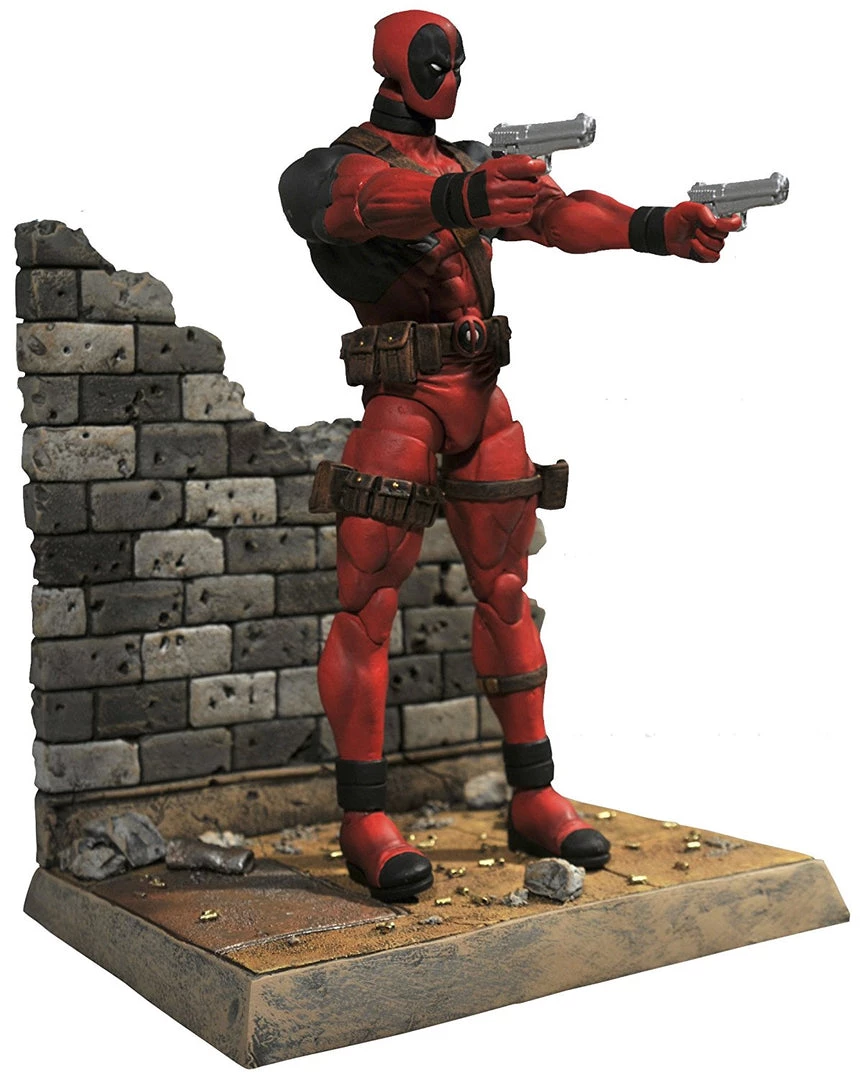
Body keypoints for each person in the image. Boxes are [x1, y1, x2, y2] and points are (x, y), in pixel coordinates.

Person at [279, 9, 740, 901]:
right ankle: (364, 817)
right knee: (367, 605)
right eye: (432, 61)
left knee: (504, 592)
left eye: (455, 61)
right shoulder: (330, 166)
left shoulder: (466, 163)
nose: (447, 75)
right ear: (392, 66)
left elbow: (559, 216)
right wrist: (463, 200)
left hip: (482, 397)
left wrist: (657, 226)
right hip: (404, 399)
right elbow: (354, 206)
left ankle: (534, 793)